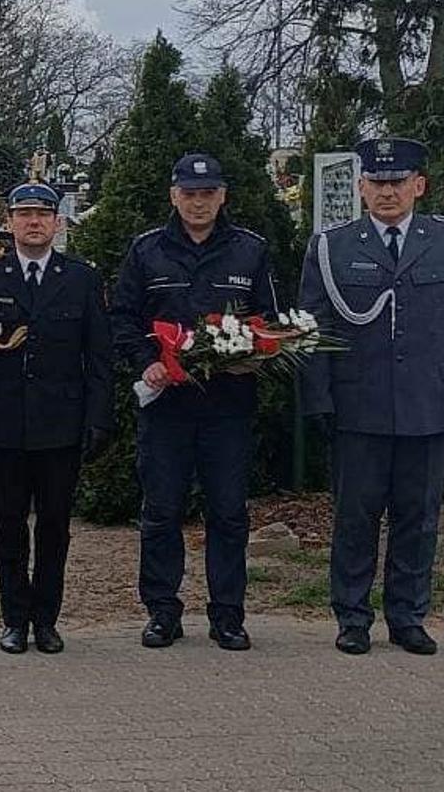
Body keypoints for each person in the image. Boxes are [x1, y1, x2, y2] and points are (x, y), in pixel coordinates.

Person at [299, 138, 444, 656]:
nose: (388, 192)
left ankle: (408, 616)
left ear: (419, 186)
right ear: (362, 188)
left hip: (430, 406)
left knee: (418, 517)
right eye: (378, 183)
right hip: (358, 407)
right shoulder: (331, 246)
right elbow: (312, 328)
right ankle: (352, 617)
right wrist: (317, 400)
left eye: (398, 182)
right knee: (355, 517)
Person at [110, 153, 277, 651]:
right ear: (173, 195)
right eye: (189, 193)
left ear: (222, 195)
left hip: (228, 406)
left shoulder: (250, 250)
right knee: (161, 512)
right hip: (167, 407)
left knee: (228, 514)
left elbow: (269, 320)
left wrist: (252, 351)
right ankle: (163, 611)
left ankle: (227, 615)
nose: (198, 202)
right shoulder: (147, 251)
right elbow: (122, 317)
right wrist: (146, 362)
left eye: (208, 194)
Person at [0, 184, 114, 655]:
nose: (33, 222)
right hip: (5, 425)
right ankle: (13, 617)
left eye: (43, 214)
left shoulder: (81, 279)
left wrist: (99, 419)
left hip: (60, 425)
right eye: (24, 214)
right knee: (7, 526)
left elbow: (99, 357)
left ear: (58, 223)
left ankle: (46, 619)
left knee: (54, 527)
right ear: (9, 222)